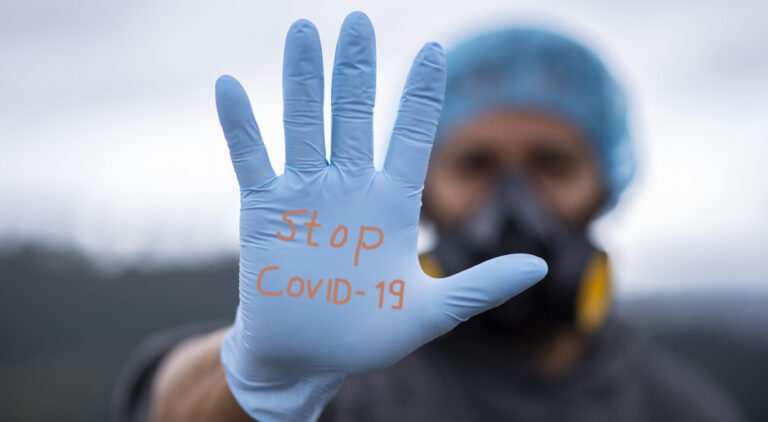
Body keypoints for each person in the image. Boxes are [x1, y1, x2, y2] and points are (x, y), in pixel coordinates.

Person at [113, 12, 746, 422]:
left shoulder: (686, 409)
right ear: (423, 189)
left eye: (552, 164)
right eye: (475, 165)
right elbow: (161, 407)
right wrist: (255, 379)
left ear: (606, 186)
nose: (515, 203)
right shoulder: (350, 378)